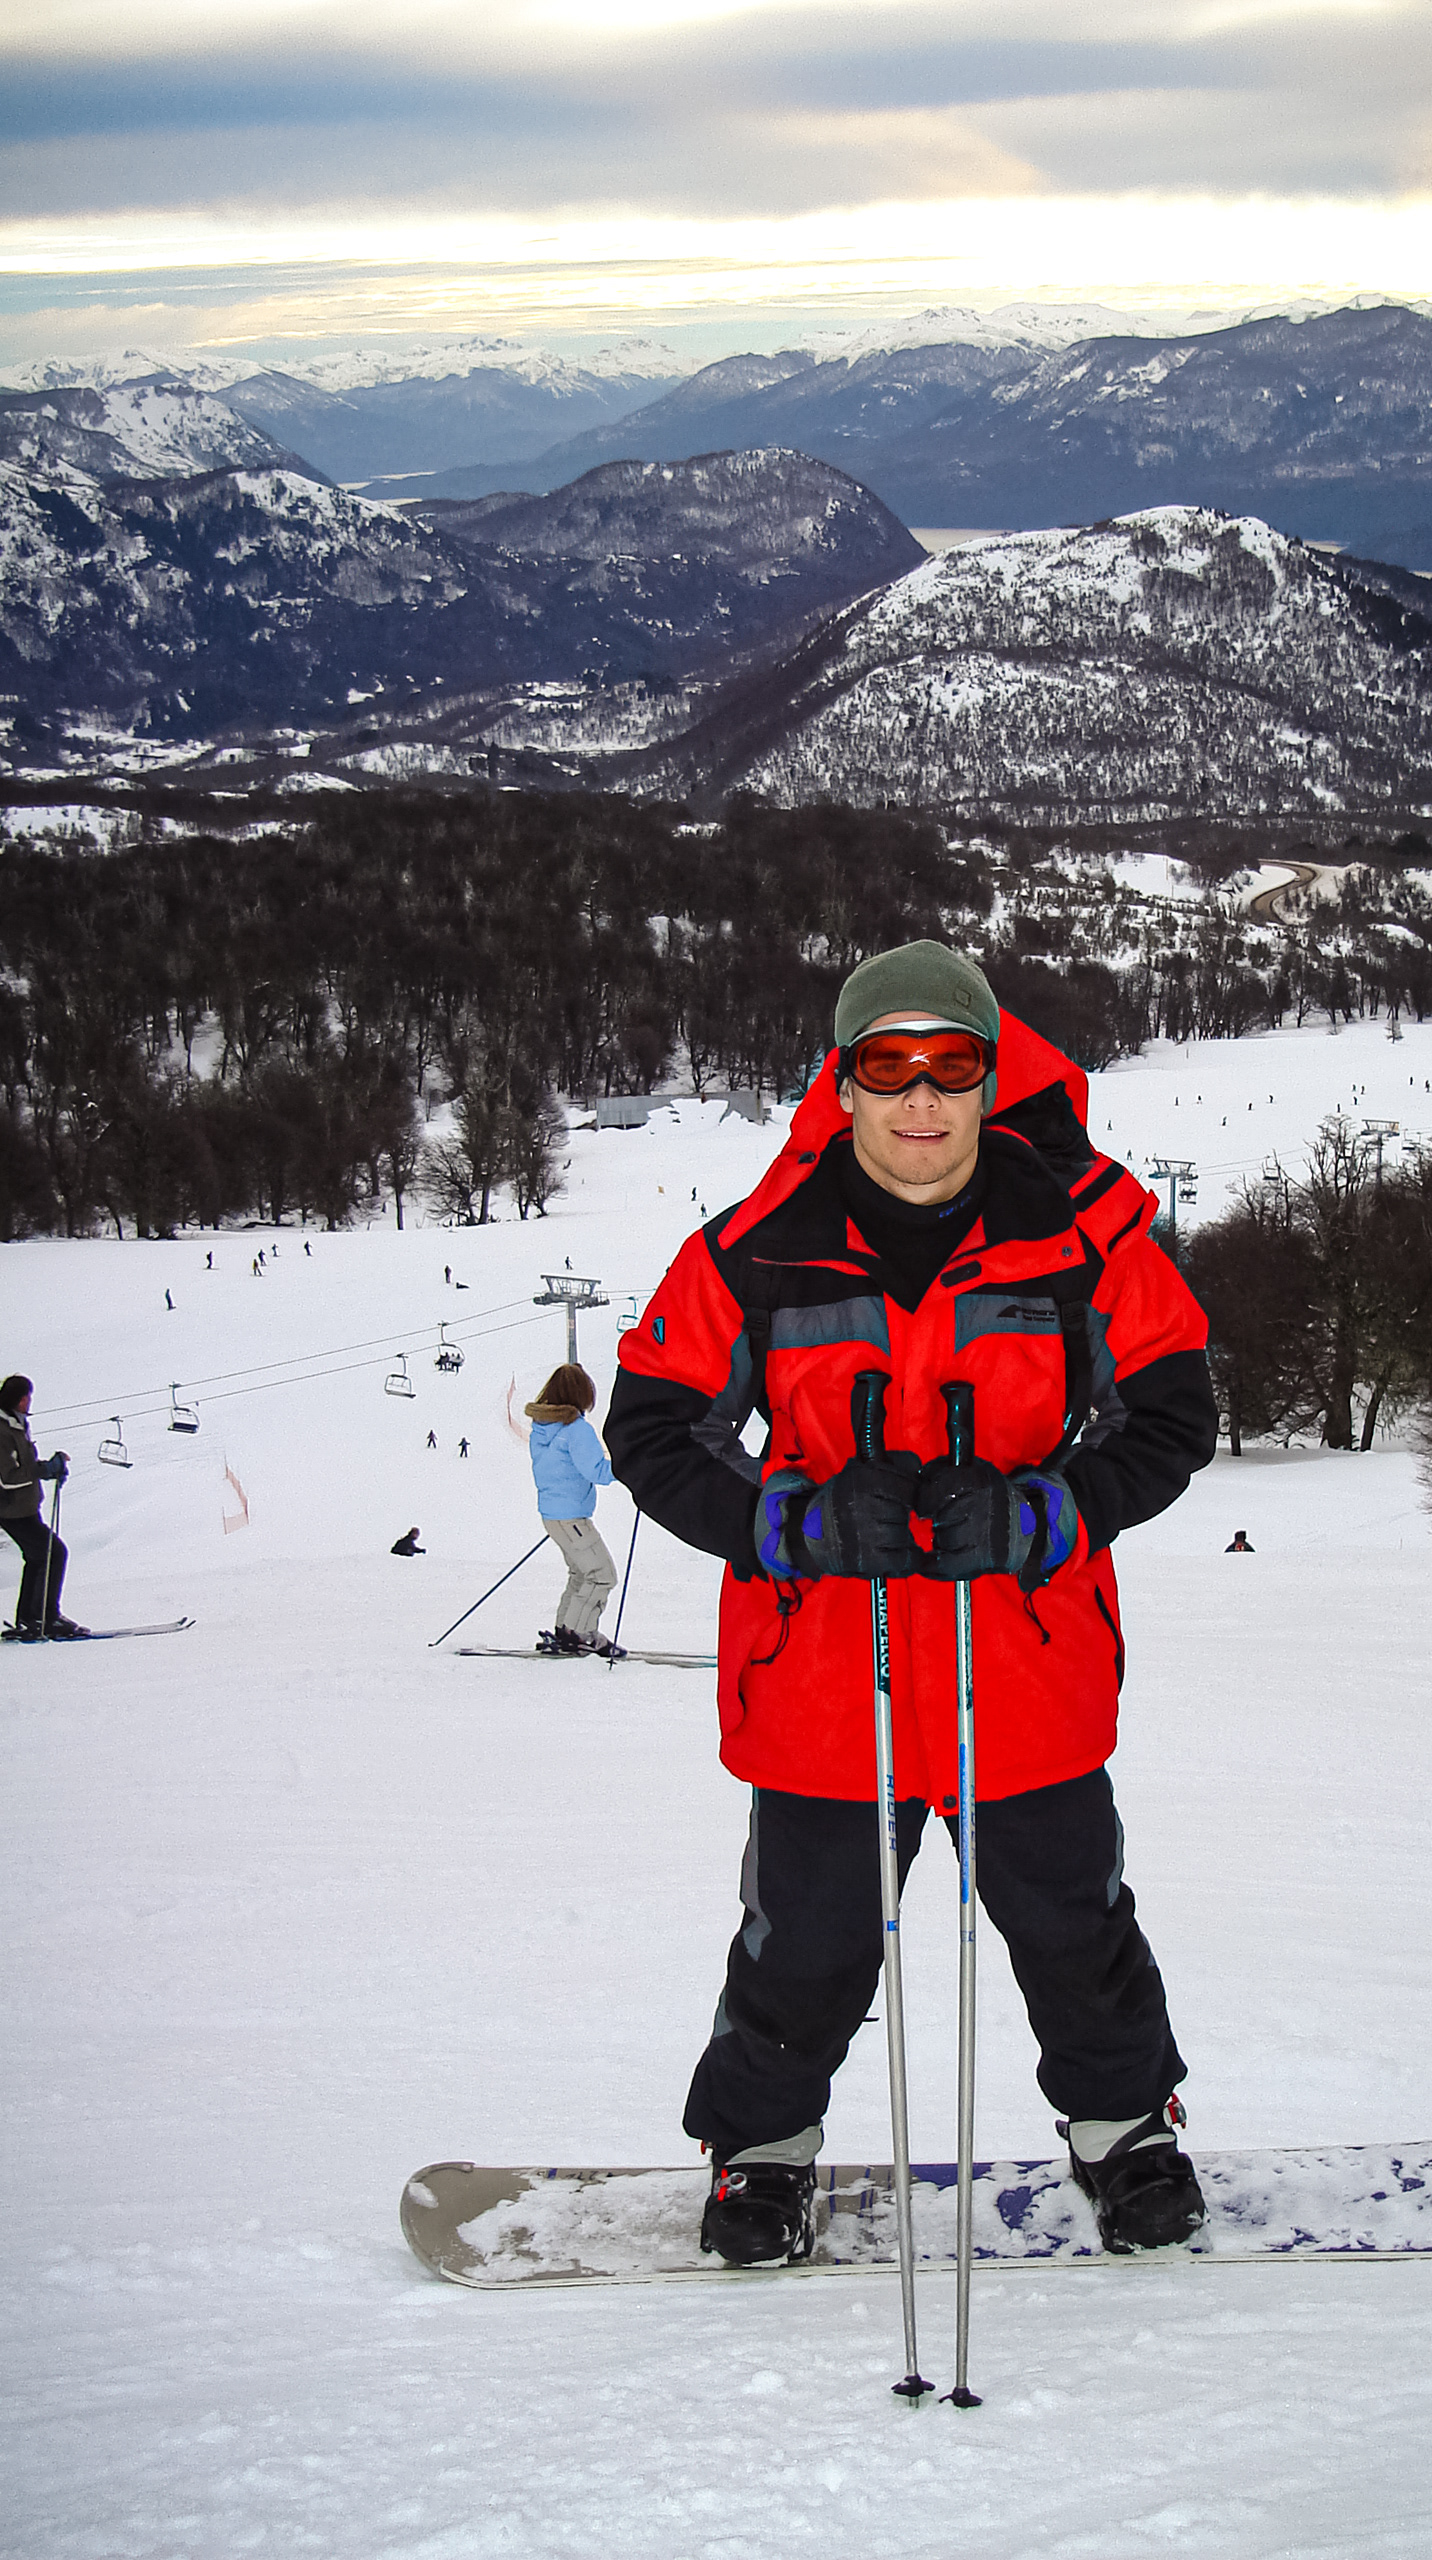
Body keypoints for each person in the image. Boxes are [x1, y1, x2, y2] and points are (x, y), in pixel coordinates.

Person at [607, 940, 1218, 2269]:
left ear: (991, 1079)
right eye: (889, 1066)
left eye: (952, 1064)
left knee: (1072, 1926)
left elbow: (1172, 1414)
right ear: (843, 1084)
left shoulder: (1085, 1236)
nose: (922, 1098)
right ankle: (761, 2152)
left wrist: (1044, 1512)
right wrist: (796, 1522)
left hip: (1026, 1665)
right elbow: (653, 1428)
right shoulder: (756, 1249)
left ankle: (1126, 2132)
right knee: (807, 1943)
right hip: (826, 1680)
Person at [0, 1375, 85, 1640]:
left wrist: (50, 1468)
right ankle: (45, 1618)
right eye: (26, 1397)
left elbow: (24, 1467)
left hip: (23, 1507)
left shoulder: (15, 1425)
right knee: (53, 1553)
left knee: (39, 1557)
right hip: (9, 1509)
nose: (28, 1401)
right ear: (16, 1399)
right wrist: (44, 1470)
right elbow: (7, 1478)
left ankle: (31, 1619)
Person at [524, 1365, 623, 1659]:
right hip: (572, 1518)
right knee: (602, 1575)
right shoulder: (576, 1430)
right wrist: (630, 1467)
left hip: (553, 1515)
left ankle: (566, 1630)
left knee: (581, 1573)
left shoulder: (542, 1427)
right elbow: (597, 1471)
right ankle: (580, 1634)